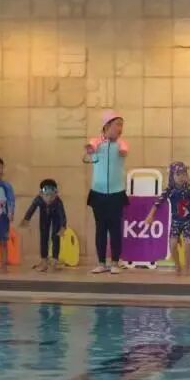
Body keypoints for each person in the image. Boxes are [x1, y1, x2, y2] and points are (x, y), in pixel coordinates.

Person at [84, 110, 128, 275]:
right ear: (107, 126)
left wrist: (117, 146)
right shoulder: (96, 142)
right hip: (98, 193)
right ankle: (101, 263)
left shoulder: (122, 144)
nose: (120, 128)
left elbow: (124, 150)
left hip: (116, 193)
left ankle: (115, 262)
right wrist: (92, 148)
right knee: (100, 229)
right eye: (117, 125)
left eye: (121, 125)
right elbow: (91, 147)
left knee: (115, 229)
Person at [144, 162, 190, 275]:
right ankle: (177, 265)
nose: (181, 177)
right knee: (173, 244)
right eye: (178, 174)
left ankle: (187, 267)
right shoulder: (169, 190)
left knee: (188, 244)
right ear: (172, 176)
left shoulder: (189, 188)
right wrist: (150, 215)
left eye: (183, 174)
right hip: (176, 221)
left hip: (189, 220)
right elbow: (157, 203)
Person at [21, 179, 68, 272]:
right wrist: (26, 219)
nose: (49, 199)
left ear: (56, 194)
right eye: (46, 195)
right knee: (43, 236)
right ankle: (44, 260)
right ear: (41, 194)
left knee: (55, 237)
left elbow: (62, 215)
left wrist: (63, 227)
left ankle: (54, 260)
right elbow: (31, 209)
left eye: (52, 196)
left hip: (56, 217)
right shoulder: (38, 199)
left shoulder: (58, 202)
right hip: (44, 216)